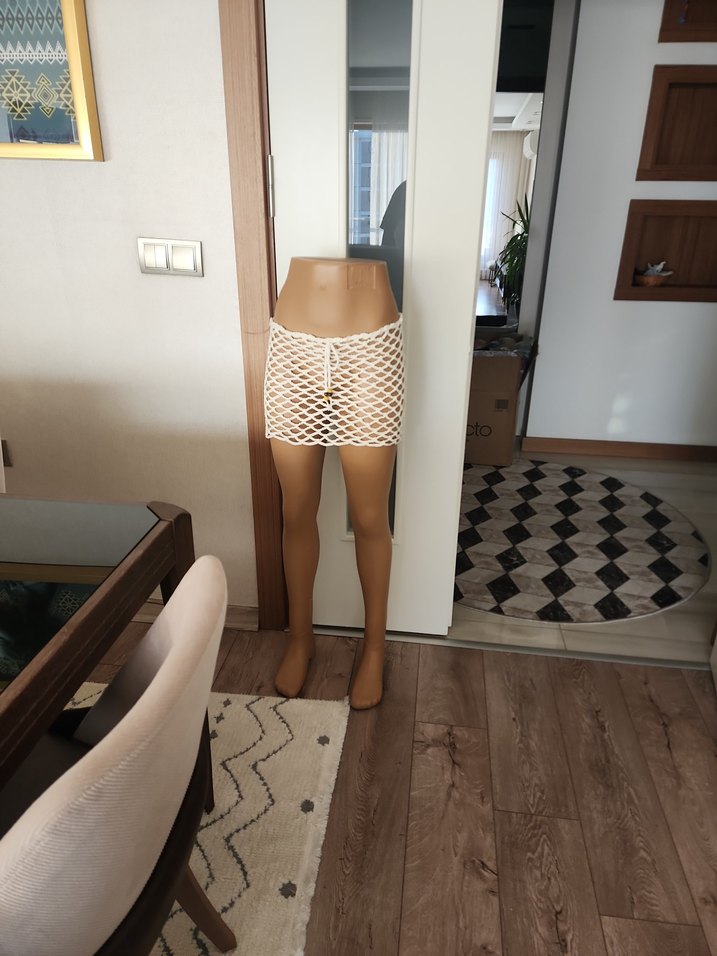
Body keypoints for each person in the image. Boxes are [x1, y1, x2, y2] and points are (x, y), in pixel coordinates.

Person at [263, 257, 405, 710]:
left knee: (369, 515)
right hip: (292, 344)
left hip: (371, 344)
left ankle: (374, 650)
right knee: (295, 510)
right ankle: (300, 639)